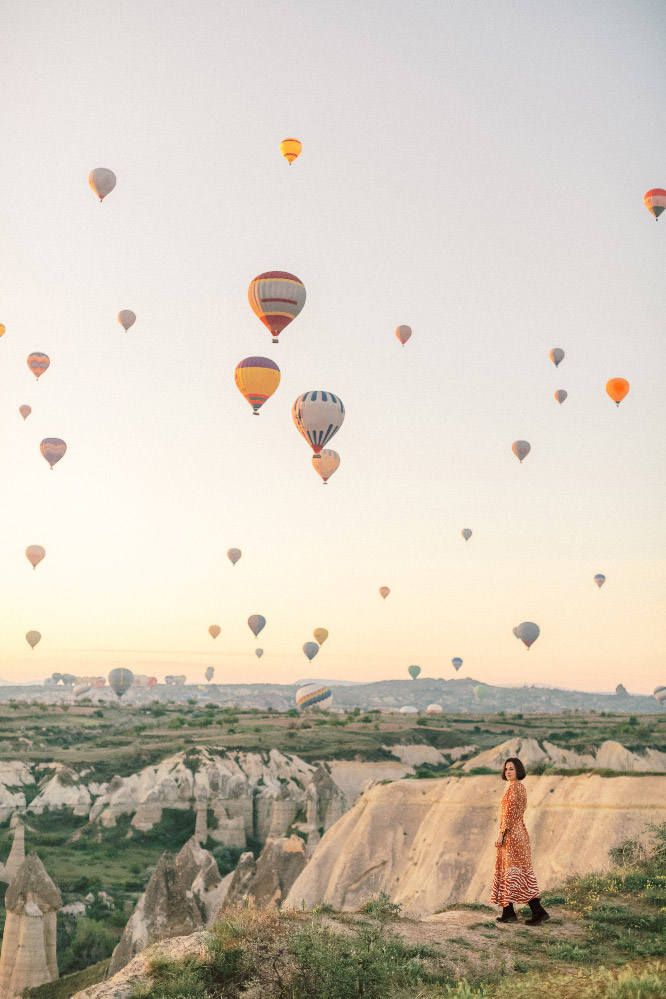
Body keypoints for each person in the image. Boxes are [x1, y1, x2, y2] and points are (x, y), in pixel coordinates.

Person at [490, 757, 549, 925]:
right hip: (519, 832)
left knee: (515, 873)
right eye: (506, 769)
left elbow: (509, 814)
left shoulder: (515, 789)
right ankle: (509, 911)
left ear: (518, 771)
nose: (508, 772)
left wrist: (501, 833)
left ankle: (538, 911)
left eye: (512, 769)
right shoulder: (519, 788)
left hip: (512, 834)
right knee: (515, 872)